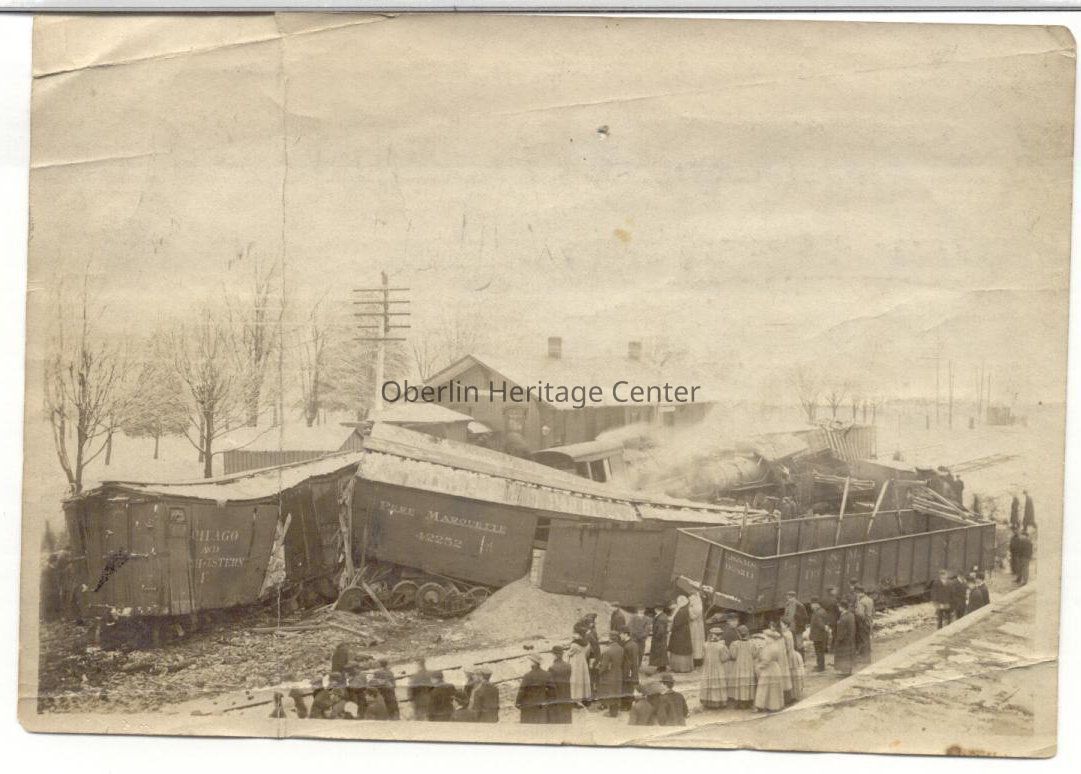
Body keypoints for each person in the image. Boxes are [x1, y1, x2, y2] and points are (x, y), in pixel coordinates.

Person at [753, 629, 785, 712]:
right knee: (773, 688)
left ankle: (762, 706)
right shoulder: (776, 646)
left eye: (766, 637)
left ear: (770, 638)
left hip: (768, 669)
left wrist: (758, 666)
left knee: (764, 687)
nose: (765, 639)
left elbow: (766, 660)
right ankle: (774, 705)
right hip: (775, 667)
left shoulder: (769, 648)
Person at [515, 654, 552, 723]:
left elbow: (522, 690)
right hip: (542, 705)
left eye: (530, 661)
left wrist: (518, 702)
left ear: (533, 663)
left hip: (529, 705)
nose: (529, 663)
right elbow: (552, 690)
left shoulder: (527, 675)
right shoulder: (547, 675)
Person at [699, 627, 730, 709]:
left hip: (707, 668)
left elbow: (703, 656)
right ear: (719, 636)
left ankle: (707, 701)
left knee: (708, 683)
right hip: (718, 668)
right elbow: (724, 658)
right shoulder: (721, 646)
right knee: (718, 683)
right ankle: (718, 701)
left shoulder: (705, 645)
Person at [597, 633, 625, 717]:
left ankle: (612, 713)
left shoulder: (607, 651)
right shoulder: (621, 649)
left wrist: (599, 671)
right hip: (618, 673)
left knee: (610, 692)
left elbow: (604, 666)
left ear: (610, 639)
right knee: (617, 691)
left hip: (610, 674)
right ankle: (615, 711)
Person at [728, 625, 756, 708]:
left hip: (739, 666)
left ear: (739, 634)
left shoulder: (735, 644)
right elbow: (755, 655)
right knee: (748, 681)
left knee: (740, 682)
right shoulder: (752, 644)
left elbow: (733, 655)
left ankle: (740, 701)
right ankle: (748, 700)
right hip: (749, 666)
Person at [546, 645, 574, 724]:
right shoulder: (568, 666)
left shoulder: (552, 668)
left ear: (555, 655)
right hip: (566, 694)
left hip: (556, 694)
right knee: (566, 715)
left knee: (557, 717)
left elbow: (550, 684)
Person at [667, 596, 694, 673]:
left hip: (679, 632)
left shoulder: (680, 611)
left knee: (679, 648)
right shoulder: (686, 610)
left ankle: (679, 668)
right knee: (684, 648)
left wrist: (671, 628)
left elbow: (677, 623)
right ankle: (686, 667)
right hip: (685, 631)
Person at [567, 633, 593, 704]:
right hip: (583, 662)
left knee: (576, 680)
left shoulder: (574, 645)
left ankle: (577, 699)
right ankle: (586, 697)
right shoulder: (588, 644)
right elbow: (587, 654)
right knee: (584, 679)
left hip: (575, 663)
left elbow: (569, 653)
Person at [833, 600, 856, 675]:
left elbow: (842, 629)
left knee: (844, 655)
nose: (838, 608)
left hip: (844, 639)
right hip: (849, 638)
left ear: (842, 607)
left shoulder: (844, 617)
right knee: (848, 655)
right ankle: (847, 670)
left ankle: (845, 671)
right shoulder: (850, 615)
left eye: (839, 606)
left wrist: (839, 639)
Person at [620, 631, 641, 711]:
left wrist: (628, 671)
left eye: (621, 634)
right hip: (633, 669)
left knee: (626, 687)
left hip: (627, 670)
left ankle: (626, 706)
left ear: (626, 634)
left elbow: (628, 661)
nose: (620, 635)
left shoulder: (627, 646)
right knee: (630, 687)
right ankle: (628, 704)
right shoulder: (634, 644)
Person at [808, 598, 831, 672]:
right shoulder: (822, 610)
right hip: (821, 635)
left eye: (811, 604)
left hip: (818, 635)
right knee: (820, 651)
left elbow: (820, 624)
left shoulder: (817, 613)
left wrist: (825, 628)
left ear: (815, 604)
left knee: (819, 651)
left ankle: (820, 667)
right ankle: (820, 665)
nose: (811, 606)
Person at [855, 586, 874, 662]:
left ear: (859, 592)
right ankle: (868, 658)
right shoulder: (870, 599)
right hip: (869, 621)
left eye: (857, 593)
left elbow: (860, 614)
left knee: (863, 639)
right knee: (867, 639)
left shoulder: (861, 602)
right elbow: (873, 611)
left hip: (863, 622)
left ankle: (865, 658)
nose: (856, 595)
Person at [649, 605, 671, 672]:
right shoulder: (662, 616)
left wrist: (656, 636)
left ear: (656, 609)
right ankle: (661, 666)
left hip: (659, 638)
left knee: (660, 652)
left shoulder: (660, 618)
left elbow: (660, 630)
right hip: (662, 638)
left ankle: (661, 667)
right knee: (661, 652)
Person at [688, 592, 706, 668]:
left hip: (695, 626)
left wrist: (689, 609)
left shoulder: (696, 607)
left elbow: (692, 617)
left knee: (696, 642)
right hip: (697, 626)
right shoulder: (698, 606)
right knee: (697, 642)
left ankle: (696, 659)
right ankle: (698, 659)